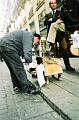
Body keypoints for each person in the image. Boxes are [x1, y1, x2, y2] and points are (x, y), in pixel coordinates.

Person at [0, 30, 40, 94]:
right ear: (36, 37)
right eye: (36, 42)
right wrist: (31, 64)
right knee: (19, 67)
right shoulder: (29, 35)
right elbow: (27, 51)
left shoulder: (24, 35)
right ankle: (27, 89)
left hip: (2, 44)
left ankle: (17, 86)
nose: (34, 44)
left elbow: (22, 51)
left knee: (13, 68)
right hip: (8, 45)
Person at [44, 0, 75, 71]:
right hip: (52, 34)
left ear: (56, 4)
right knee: (53, 51)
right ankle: (54, 68)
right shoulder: (47, 15)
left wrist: (51, 20)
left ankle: (68, 66)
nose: (53, 4)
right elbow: (45, 22)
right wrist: (54, 20)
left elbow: (62, 20)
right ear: (50, 5)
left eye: (54, 3)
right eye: (52, 3)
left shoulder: (60, 12)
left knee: (64, 49)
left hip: (61, 34)